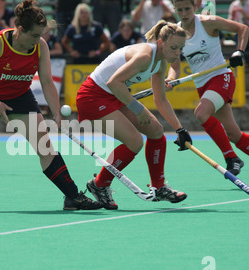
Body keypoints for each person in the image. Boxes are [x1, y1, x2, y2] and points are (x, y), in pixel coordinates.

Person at [0, 0, 102, 211]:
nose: (39, 40)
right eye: (35, 35)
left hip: (20, 96)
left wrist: (56, 113)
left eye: (41, 35)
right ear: (20, 30)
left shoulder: (41, 47)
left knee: (45, 148)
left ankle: (73, 197)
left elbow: (47, 81)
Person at [76, 20, 192, 210]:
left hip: (114, 96)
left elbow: (161, 99)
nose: (177, 53)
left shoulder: (161, 61)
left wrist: (180, 129)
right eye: (174, 48)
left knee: (156, 131)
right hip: (92, 98)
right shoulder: (145, 56)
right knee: (135, 141)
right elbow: (114, 83)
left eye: (181, 49)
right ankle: (99, 184)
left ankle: (159, 186)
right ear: (161, 43)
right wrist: (140, 110)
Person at [169, 0, 249, 187]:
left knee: (200, 113)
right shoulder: (176, 33)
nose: (184, 13)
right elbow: (174, 66)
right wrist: (170, 79)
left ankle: (231, 158)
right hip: (203, 86)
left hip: (221, 78)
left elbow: (243, 28)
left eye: (187, 9)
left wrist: (239, 51)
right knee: (233, 134)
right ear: (174, 9)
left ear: (195, 7)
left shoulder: (208, 22)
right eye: (179, 9)